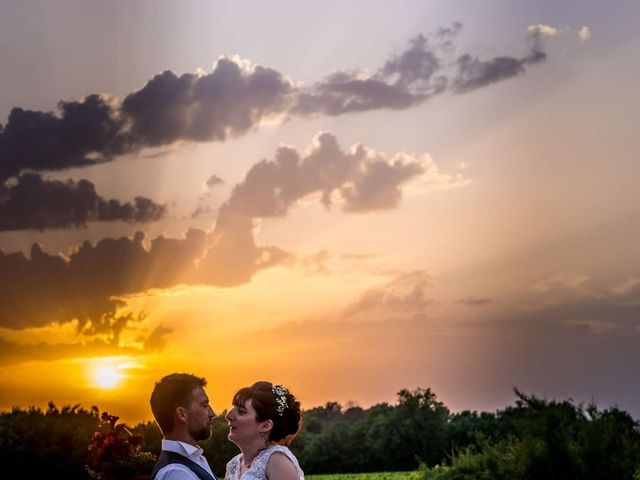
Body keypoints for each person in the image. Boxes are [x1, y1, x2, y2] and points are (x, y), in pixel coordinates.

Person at [225, 381, 304, 480]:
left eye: (241, 412)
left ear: (266, 426)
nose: (228, 416)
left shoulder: (278, 462)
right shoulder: (233, 465)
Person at [150, 373, 217, 480]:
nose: (212, 413)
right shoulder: (176, 473)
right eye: (204, 405)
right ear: (182, 414)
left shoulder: (193, 459)